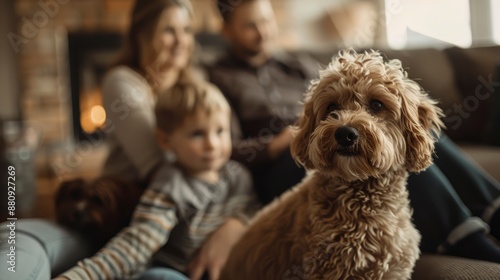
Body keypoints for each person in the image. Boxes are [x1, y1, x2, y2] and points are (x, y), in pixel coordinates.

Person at [208, 0, 500, 264]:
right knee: (393, 159)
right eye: (250, 25)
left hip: (330, 133)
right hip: (283, 161)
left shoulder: (297, 65)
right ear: (227, 31)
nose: (262, 32)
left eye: (266, 21)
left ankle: (493, 210)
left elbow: (346, 97)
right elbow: (222, 147)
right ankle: (466, 239)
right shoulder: (220, 78)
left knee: (412, 135)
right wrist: (274, 143)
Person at [0, 1, 248, 279]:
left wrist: (237, 220)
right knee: (14, 240)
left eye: (187, 30)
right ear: (143, 33)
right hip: (120, 214)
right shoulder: (123, 82)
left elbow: (229, 153)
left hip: (169, 228)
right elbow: (162, 165)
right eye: (168, 30)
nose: (181, 41)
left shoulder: (199, 84)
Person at [55, 80, 260, 280]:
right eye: (197, 134)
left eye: (220, 131)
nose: (212, 144)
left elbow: (255, 212)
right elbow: (137, 243)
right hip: (175, 272)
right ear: (164, 140)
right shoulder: (170, 186)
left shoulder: (239, 176)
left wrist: (239, 222)